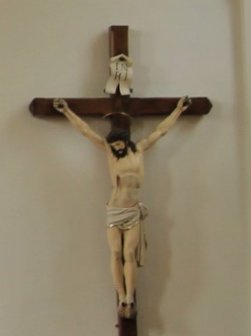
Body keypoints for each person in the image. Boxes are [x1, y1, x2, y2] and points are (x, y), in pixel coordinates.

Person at [51, 96, 192, 317]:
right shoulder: (109, 153)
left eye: (119, 144)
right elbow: (86, 131)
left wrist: (178, 110)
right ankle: (121, 294)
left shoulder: (139, 150)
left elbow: (161, 131)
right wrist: (66, 111)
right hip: (115, 210)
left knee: (129, 253)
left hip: (132, 211)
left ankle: (129, 296)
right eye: (113, 145)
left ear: (126, 142)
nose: (116, 148)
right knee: (116, 252)